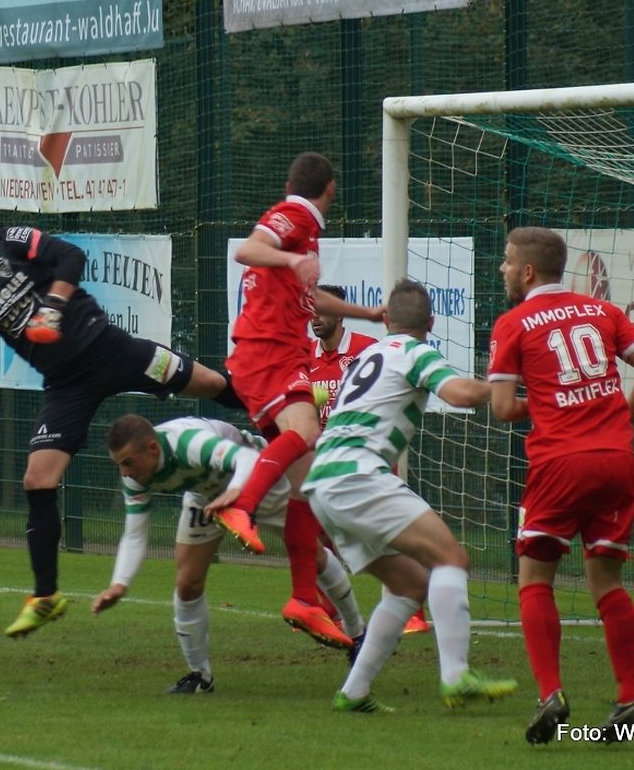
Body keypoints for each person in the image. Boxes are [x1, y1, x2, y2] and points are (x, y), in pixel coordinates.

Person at [0, 192, 245, 639]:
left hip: (109, 349)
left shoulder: (11, 241)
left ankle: (282, 421)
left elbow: (71, 257)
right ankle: (45, 596)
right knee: (37, 480)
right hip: (66, 386)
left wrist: (52, 308)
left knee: (211, 383)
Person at [302, 279, 518, 713]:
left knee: (410, 585)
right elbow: (459, 394)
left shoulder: (367, 356)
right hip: (357, 475)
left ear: (386, 319)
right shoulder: (414, 352)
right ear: (431, 322)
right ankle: (456, 676)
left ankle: (354, 692)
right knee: (450, 558)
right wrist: (508, 387)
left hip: (322, 482)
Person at [488, 227, 634, 744]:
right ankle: (631, 697)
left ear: (527, 271)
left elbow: (502, 408)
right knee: (607, 583)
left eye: (507, 261)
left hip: (560, 465)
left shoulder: (513, 323)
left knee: (534, 579)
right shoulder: (601, 311)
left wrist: (549, 403)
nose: (502, 269)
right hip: (615, 460)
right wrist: (616, 418)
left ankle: (550, 694)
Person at [208, 152, 384, 650]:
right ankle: (243, 506)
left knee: (307, 483)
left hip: (272, 355)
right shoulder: (298, 216)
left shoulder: (303, 234)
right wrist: (290, 258)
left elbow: (311, 300)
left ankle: (304, 598)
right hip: (271, 353)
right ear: (331, 189)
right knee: (306, 433)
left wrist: (368, 313)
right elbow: (250, 249)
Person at [92, 414, 367, 692]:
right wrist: (119, 584)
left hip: (255, 479)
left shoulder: (189, 443)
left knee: (313, 556)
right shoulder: (135, 478)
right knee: (188, 582)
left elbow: (245, 458)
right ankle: (200, 676)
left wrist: (237, 493)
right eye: (119, 464)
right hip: (206, 494)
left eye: (127, 462)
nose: (124, 473)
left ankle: (357, 635)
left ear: (152, 448)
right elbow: (135, 534)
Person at [309, 284, 429, 636]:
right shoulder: (304, 356)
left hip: (367, 461)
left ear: (340, 313)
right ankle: (327, 612)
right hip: (324, 462)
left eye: (323, 311)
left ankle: (413, 610)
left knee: (391, 535)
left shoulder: (366, 349)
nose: (315, 318)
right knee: (314, 538)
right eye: (311, 312)